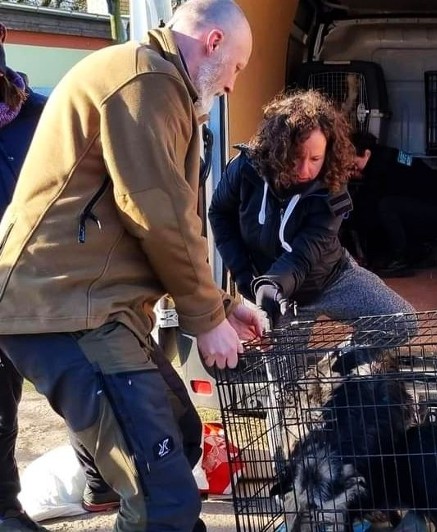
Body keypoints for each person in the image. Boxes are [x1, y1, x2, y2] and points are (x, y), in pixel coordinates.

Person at [0, 2, 262, 531]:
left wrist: (224, 305)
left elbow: (161, 223)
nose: (233, 86)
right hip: (66, 309)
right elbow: (159, 216)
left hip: (97, 307)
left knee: (183, 437)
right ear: (213, 42)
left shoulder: (154, 79)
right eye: (237, 68)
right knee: (163, 502)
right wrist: (207, 320)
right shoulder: (146, 80)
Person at [0, 22, 120, 531]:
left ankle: (101, 483)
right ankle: (5, 509)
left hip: (57, 290)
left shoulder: (49, 114)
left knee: (81, 394)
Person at [208, 90, 415, 339]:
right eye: (296, 158)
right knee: (285, 373)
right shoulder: (245, 167)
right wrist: (246, 277)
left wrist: (272, 284)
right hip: (274, 292)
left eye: (316, 158)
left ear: (328, 152)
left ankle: (339, 369)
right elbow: (219, 213)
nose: (305, 169)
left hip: (329, 277)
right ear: (278, 149)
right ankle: (307, 370)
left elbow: (304, 254)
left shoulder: (334, 185)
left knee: (402, 323)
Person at [348, 131, 437, 276]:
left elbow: (368, 205)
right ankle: (420, 250)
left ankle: (400, 259)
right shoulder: (388, 155)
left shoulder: (380, 167)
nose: (353, 168)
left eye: (355, 163)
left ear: (366, 154)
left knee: (386, 207)